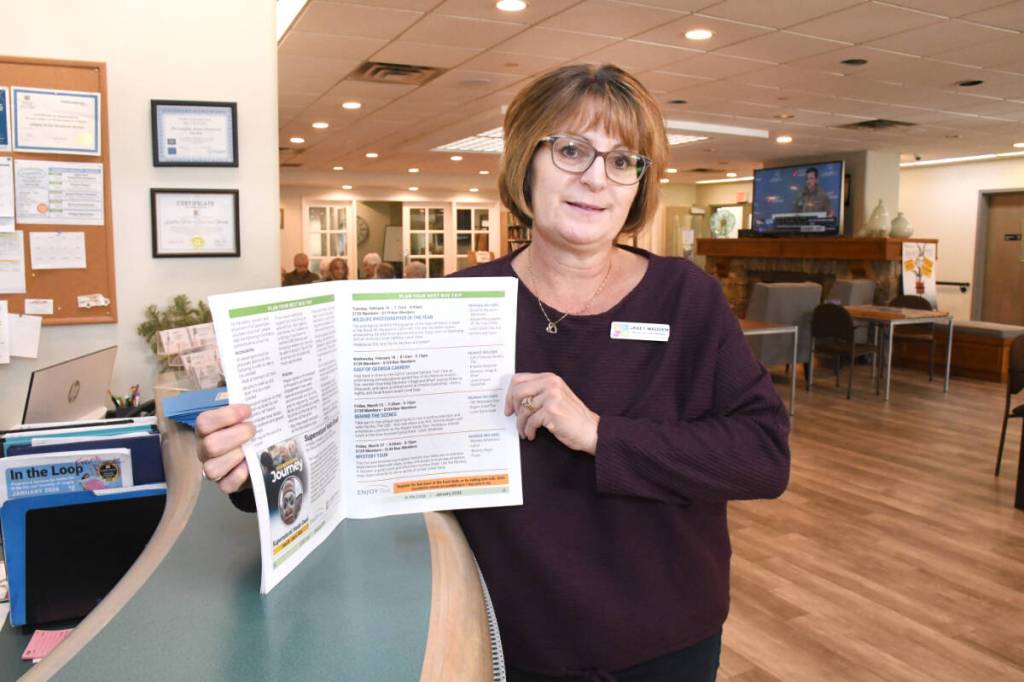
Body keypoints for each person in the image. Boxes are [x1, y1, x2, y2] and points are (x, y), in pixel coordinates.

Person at [195, 63, 789, 681]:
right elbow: (355, 457)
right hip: (505, 639)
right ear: (524, 164)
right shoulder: (455, 306)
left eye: (622, 161)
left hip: (662, 643)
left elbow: (764, 456)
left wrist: (600, 434)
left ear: (639, 183)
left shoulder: (685, 299)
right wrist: (255, 467)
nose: (595, 178)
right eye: (571, 150)